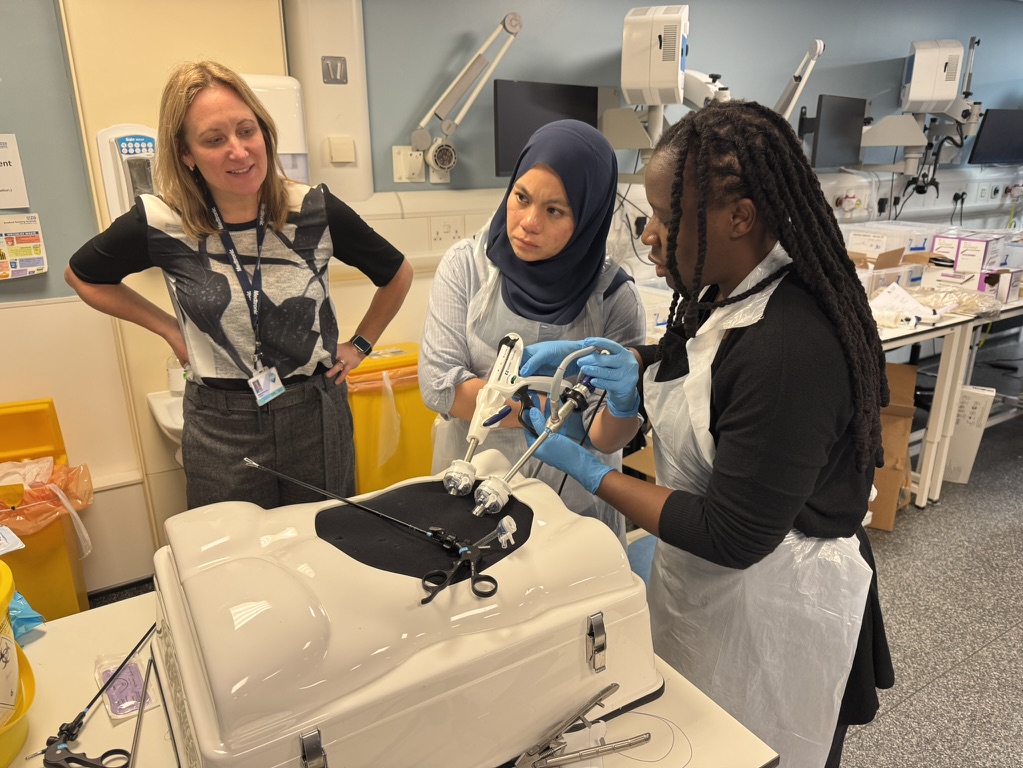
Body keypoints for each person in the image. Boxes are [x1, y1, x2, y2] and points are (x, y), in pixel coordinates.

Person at [517, 101, 894, 767]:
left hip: (780, 608)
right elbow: (703, 357)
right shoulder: (730, 287)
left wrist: (593, 469)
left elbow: (733, 534)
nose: (651, 234)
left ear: (739, 217)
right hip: (717, 597)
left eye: (668, 215)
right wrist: (631, 357)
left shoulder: (791, 349)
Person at [66, 60, 413, 509]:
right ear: (186, 153)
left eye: (247, 131)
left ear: (265, 133)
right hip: (220, 424)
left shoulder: (311, 210)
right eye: (214, 139)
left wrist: (361, 345)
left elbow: (397, 274)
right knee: (229, 558)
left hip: (313, 412)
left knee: (322, 542)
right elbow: (83, 275)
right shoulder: (162, 222)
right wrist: (170, 329)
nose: (239, 150)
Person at [419, 119, 645, 544]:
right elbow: (438, 387)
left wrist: (624, 402)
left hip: (574, 510)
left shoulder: (615, 297)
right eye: (520, 198)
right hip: (468, 488)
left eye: (554, 210)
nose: (527, 222)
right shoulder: (466, 267)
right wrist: (547, 413)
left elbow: (602, 433)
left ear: (589, 217)